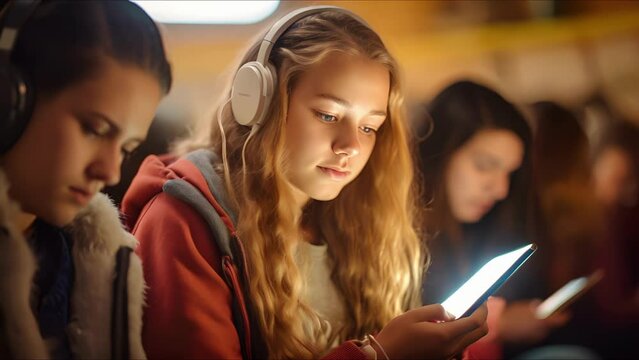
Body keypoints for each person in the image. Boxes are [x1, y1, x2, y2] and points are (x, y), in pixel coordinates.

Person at [122, 6, 487, 360]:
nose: (350, 147)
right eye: (328, 115)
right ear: (259, 102)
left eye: (368, 127)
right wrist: (378, 355)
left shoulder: (356, 221)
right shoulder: (182, 221)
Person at [0, 1, 171, 358]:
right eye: (95, 129)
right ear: (9, 103)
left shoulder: (87, 262)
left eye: (127, 148)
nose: (110, 173)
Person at [416, 81, 569, 359]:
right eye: (485, 166)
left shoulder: (478, 230)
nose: (501, 190)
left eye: (510, 173)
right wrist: (501, 324)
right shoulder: (397, 236)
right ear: (439, 153)